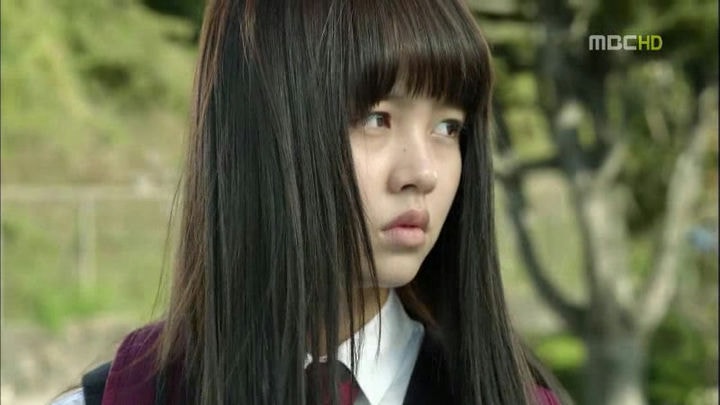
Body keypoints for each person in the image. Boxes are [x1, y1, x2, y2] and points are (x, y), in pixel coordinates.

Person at [52, 0, 569, 404]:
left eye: (447, 127)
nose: (422, 173)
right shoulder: (127, 396)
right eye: (377, 119)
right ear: (261, 129)